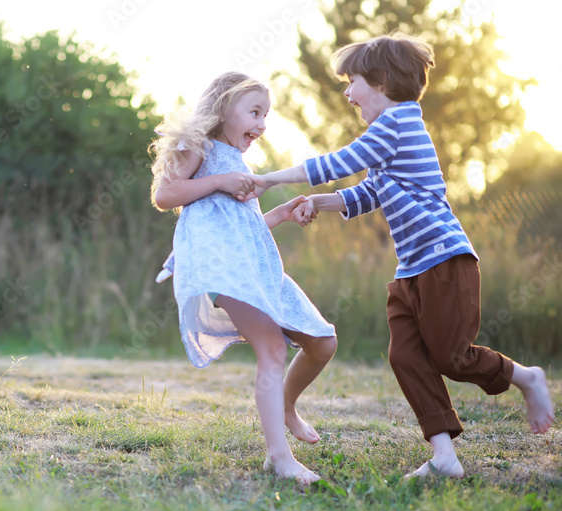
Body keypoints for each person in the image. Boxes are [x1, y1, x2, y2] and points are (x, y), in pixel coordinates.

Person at [249, 33, 554, 478]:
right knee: (405, 356)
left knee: (451, 358)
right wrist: (318, 202)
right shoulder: (389, 135)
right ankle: (444, 456)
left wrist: (268, 179)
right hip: (411, 269)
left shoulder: (397, 123)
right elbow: (369, 193)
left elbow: (339, 162)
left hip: (444, 261)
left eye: (352, 82)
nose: (348, 93)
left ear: (382, 81)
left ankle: (527, 378)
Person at [150, 72, 337, 485]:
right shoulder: (197, 146)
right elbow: (164, 195)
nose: (262, 124)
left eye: (266, 115)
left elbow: (240, 229)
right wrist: (219, 180)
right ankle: (279, 457)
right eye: (255, 112)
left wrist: (281, 214)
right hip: (222, 269)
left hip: (256, 268)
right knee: (272, 348)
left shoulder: (240, 162)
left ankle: (285, 407)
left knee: (323, 342)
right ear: (223, 108)